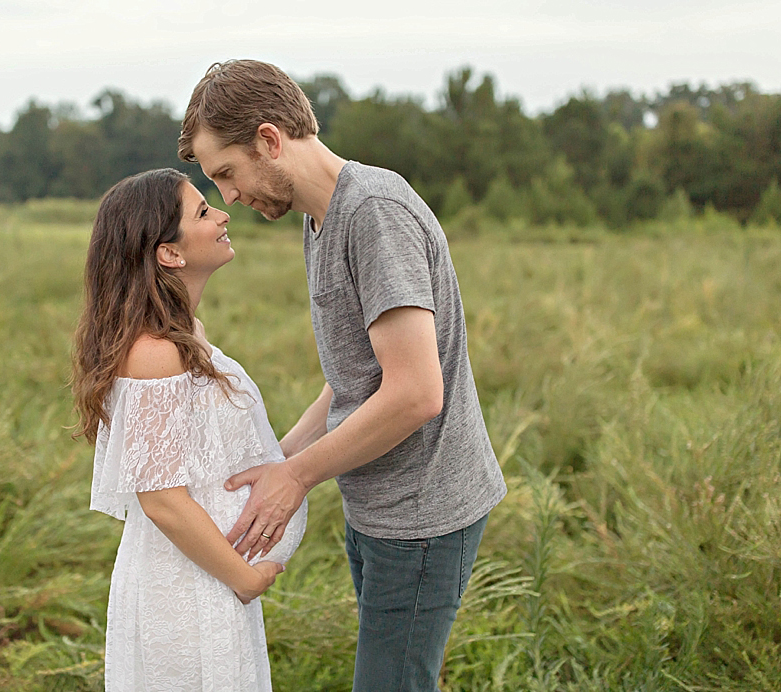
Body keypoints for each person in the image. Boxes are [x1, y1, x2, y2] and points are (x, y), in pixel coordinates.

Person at [179, 59, 506, 690]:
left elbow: (415, 393)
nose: (230, 198)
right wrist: (277, 457)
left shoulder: (373, 214)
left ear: (270, 140)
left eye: (226, 173)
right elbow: (357, 374)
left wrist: (295, 477)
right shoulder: (319, 217)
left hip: (424, 516)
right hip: (379, 506)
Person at [72, 168, 308, 691]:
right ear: (169, 254)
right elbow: (161, 499)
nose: (223, 213)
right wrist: (245, 578)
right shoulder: (154, 352)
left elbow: (223, 458)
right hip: (186, 593)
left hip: (209, 582)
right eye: (203, 212)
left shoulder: (185, 337)